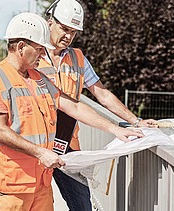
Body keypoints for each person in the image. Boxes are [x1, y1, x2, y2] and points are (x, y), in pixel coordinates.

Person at [0, 12, 143, 211]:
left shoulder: (38, 78)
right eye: (39, 49)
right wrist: (40, 152)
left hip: (40, 184)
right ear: (21, 47)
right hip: (12, 189)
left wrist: (114, 128)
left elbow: (73, 106)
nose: (42, 54)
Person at [37, 0, 158, 210]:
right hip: (35, 147)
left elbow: (102, 94)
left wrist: (135, 121)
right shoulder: (33, 55)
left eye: (73, 32)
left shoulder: (78, 59)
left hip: (67, 148)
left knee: (83, 205)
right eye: (64, 29)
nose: (68, 36)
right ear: (49, 23)